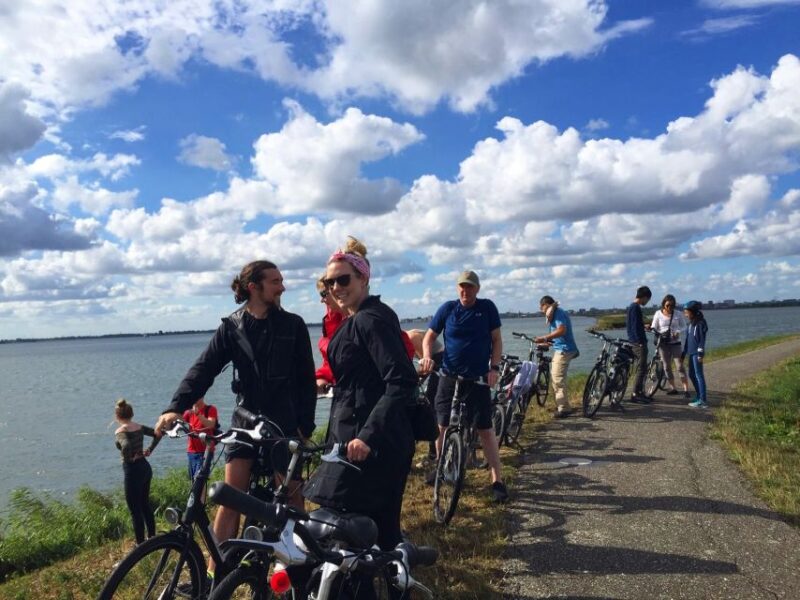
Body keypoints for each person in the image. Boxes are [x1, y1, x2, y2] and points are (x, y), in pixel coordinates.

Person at [155, 260, 317, 576]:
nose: (282, 287)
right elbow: (203, 370)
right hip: (245, 420)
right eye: (275, 281)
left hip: (285, 423)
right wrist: (174, 407)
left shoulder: (293, 325)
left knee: (292, 499)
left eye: (282, 280)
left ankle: (301, 571)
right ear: (253, 287)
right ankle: (216, 577)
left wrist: (304, 426)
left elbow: (306, 380)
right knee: (231, 498)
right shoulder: (232, 326)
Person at [304, 237, 418, 566]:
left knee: (366, 532)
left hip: (372, 443)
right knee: (373, 533)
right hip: (360, 436)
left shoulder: (370, 320)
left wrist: (368, 437)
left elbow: (400, 380)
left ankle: (393, 582)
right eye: (330, 282)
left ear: (364, 279)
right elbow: (363, 380)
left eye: (344, 279)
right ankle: (391, 581)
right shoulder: (359, 318)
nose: (335, 287)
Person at [419, 270, 509, 503]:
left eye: (470, 287)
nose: (465, 290)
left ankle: (497, 480)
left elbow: (497, 340)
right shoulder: (447, 309)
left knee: (485, 430)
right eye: (462, 286)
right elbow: (428, 338)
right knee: (442, 425)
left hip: (477, 379)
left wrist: (495, 368)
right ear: (457, 288)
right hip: (449, 376)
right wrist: (427, 357)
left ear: (477, 289)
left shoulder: (487, 308)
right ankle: (442, 469)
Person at [114, 398, 160, 544]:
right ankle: (152, 536)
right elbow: (158, 433)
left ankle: (140, 543)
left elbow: (126, 445)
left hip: (132, 470)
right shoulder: (139, 427)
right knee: (145, 503)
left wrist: (128, 459)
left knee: (134, 509)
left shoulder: (121, 431)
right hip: (145, 467)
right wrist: (150, 450)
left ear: (117, 416)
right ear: (131, 414)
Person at [534, 296, 579, 418]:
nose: (541, 309)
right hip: (561, 348)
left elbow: (562, 330)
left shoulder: (558, 313)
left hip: (564, 350)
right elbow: (559, 334)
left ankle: (564, 409)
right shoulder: (555, 313)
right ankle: (562, 405)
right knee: (558, 378)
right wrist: (549, 342)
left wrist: (544, 338)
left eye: (541, 306)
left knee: (557, 379)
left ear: (547, 304)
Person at [406, 328, 444, 465]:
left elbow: (426, 366)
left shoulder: (411, 338)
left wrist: (415, 380)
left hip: (439, 360)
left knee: (432, 404)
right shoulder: (406, 338)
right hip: (435, 360)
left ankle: (434, 453)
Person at [650, 294, 690, 398]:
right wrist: (660, 333)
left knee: (680, 366)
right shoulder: (658, 314)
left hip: (675, 343)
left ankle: (686, 389)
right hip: (663, 344)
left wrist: (677, 331)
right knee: (666, 366)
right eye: (668, 305)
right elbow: (654, 327)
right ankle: (673, 388)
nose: (670, 307)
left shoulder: (678, 314)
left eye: (672, 305)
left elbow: (684, 326)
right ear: (663, 304)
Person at [315, 275, 346, 394]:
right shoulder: (331, 323)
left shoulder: (362, 320)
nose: (322, 300)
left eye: (323, 294)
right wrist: (322, 378)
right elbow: (331, 363)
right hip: (343, 398)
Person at [626, 285, 652, 403]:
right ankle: (636, 393)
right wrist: (640, 342)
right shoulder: (635, 307)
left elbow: (634, 325)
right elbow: (635, 326)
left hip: (634, 341)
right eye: (648, 299)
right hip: (638, 343)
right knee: (641, 369)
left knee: (642, 368)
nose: (647, 302)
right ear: (644, 297)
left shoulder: (632, 307)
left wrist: (643, 326)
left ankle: (639, 392)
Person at [182, 396, 218, 480]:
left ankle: (201, 493)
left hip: (205, 451)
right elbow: (178, 421)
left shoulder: (211, 409)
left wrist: (198, 414)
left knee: (200, 480)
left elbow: (211, 424)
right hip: (191, 451)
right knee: (193, 480)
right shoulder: (189, 412)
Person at [682, 300, 709, 408]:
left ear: (692, 311)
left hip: (696, 353)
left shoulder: (700, 323)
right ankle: (699, 396)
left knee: (699, 375)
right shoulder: (690, 324)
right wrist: (683, 353)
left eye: (686, 312)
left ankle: (703, 400)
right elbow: (688, 339)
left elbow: (701, 340)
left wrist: (700, 354)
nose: (685, 314)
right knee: (691, 375)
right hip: (690, 352)